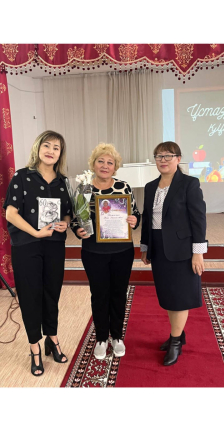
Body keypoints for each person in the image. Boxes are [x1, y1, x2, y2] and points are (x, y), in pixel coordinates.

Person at [3, 130, 73, 376]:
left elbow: (68, 213)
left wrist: (65, 223)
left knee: (52, 293)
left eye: (56, 147)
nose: (51, 151)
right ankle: (35, 346)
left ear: (60, 154)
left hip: (54, 245)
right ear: (38, 148)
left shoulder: (63, 181)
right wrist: (35, 232)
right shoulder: (21, 176)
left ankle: (52, 338)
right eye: (47, 145)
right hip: (27, 245)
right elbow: (10, 213)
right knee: (30, 296)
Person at [72, 143, 141, 360]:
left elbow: (136, 213)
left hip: (122, 250)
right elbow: (74, 218)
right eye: (100, 161)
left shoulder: (123, 187)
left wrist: (134, 220)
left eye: (110, 162)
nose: (105, 165)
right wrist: (77, 230)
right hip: (93, 251)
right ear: (93, 164)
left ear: (115, 167)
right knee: (99, 295)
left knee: (119, 294)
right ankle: (101, 337)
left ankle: (117, 336)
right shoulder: (83, 188)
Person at [140, 142, 207, 365]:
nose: (163, 160)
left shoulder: (189, 184)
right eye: (159, 156)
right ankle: (177, 334)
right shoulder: (150, 186)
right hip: (159, 247)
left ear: (178, 158)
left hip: (182, 249)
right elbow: (147, 218)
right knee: (168, 295)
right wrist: (145, 246)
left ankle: (176, 342)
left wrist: (198, 252)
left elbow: (198, 219)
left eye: (168, 155)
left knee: (179, 297)